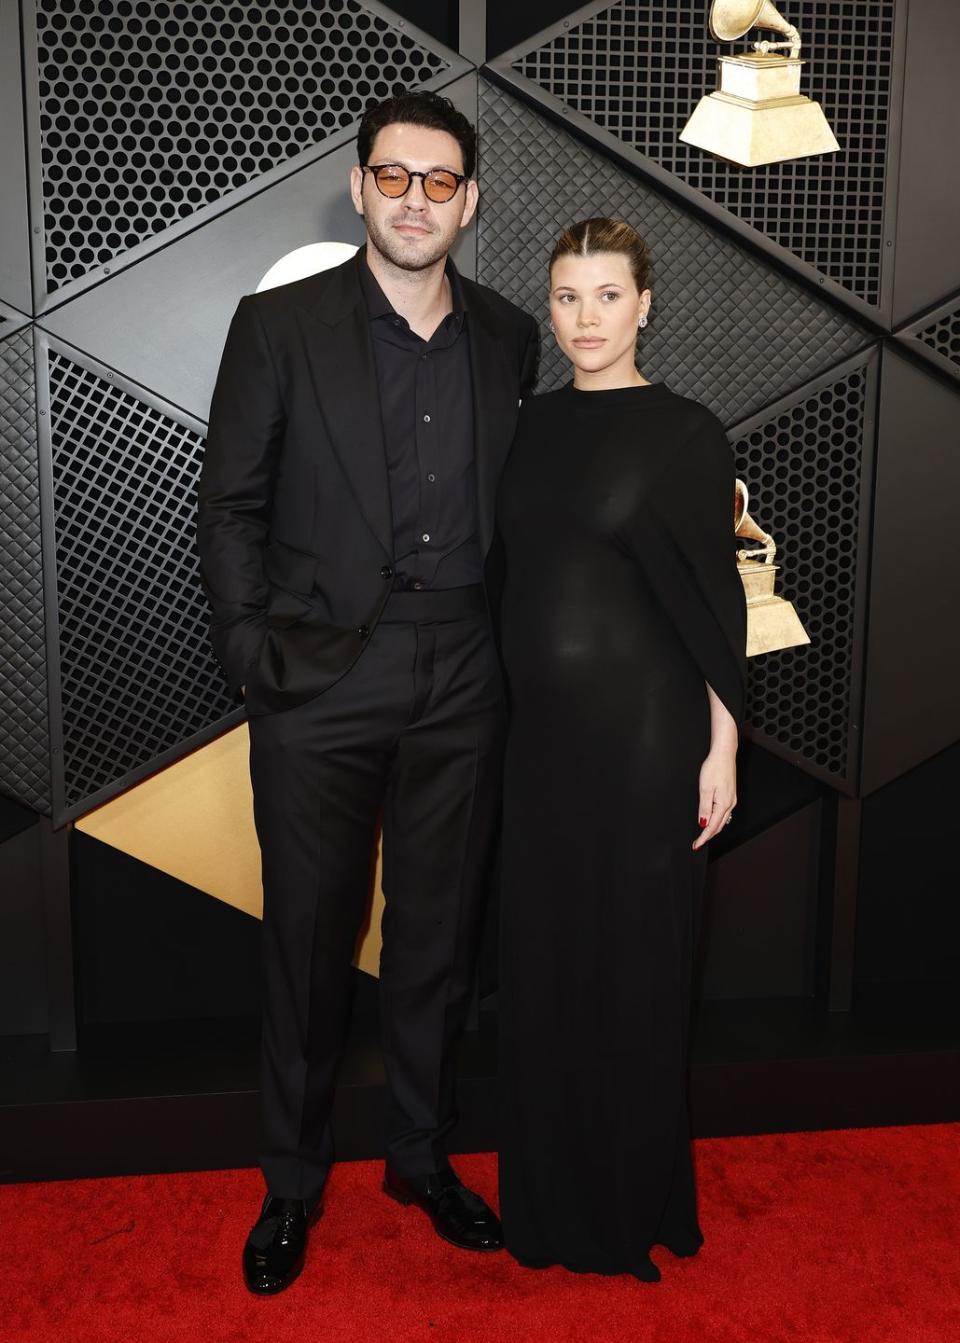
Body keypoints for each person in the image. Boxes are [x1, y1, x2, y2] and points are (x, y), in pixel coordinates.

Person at [197, 90, 538, 1295]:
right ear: (359, 188)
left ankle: (421, 1157)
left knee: (438, 937)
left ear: (468, 201)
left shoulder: (508, 336)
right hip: (320, 676)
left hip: (465, 670)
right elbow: (231, 502)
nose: (413, 200)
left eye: (438, 182)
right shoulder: (278, 325)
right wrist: (252, 651)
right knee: (307, 938)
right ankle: (292, 1180)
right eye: (392, 178)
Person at [495, 218, 746, 1282]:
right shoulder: (525, 428)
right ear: (548, 307)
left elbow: (714, 606)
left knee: (635, 973)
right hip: (540, 750)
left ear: (646, 303)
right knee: (544, 972)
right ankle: (551, 1204)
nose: (586, 317)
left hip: (649, 745)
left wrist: (722, 746)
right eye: (567, 296)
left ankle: (631, 1200)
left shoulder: (689, 432)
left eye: (607, 294)